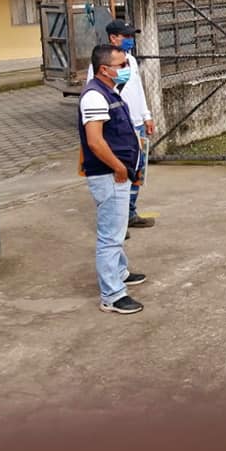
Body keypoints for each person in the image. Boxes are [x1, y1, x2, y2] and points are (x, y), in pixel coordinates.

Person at [79, 44, 145, 315]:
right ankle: (112, 295)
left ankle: (120, 272)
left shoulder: (110, 91)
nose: (127, 69)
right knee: (110, 236)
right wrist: (118, 168)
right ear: (105, 69)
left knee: (116, 229)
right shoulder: (95, 96)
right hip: (109, 175)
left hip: (118, 172)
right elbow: (95, 142)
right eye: (121, 65)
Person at [86, 19, 155, 230]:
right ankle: (118, 220)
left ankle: (130, 213)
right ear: (113, 38)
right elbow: (95, 94)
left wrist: (146, 115)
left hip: (136, 124)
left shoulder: (130, 61)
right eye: (126, 36)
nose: (130, 40)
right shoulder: (101, 66)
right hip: (117, 127)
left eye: (131, 36)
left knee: (137, 171)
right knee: (119, 173)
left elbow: (139, 89)